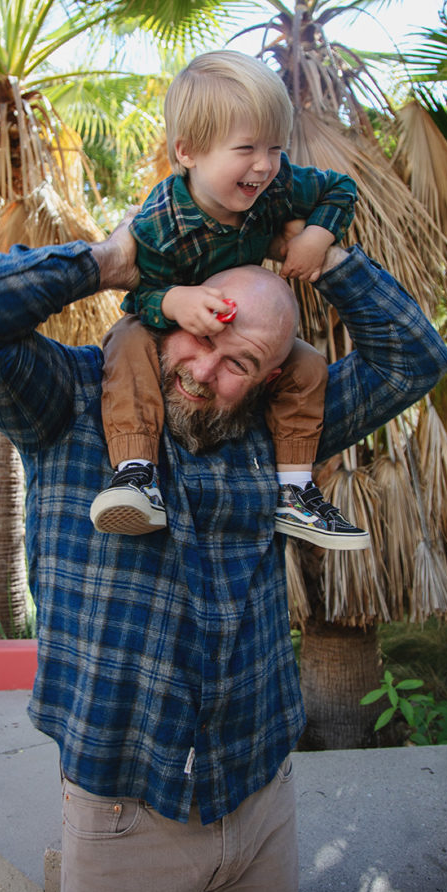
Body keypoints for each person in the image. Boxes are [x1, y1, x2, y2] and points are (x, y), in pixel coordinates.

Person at [0, 219, 447, 892]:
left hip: (260, 796)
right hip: (123, 815)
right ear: (176, 309)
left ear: (271, 378)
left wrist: (331, 261)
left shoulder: (280, 430)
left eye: (239, 363)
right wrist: (105, 262)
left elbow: (414, 358)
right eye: (202, 336)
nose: (203, 371)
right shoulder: (66, 401)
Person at [90, 50, 370, 550]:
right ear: (188, 151)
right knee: (127, 340)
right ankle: (135, 472)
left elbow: (340, 189)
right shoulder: (162, 222)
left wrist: (316, 239)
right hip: (172, 328)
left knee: (306, 365)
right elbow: (140, 297)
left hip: (236, 324)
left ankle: (295, 489)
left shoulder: (277, 184)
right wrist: (174, 301)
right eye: (245, 149)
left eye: (275, 148)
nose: (263, 166)